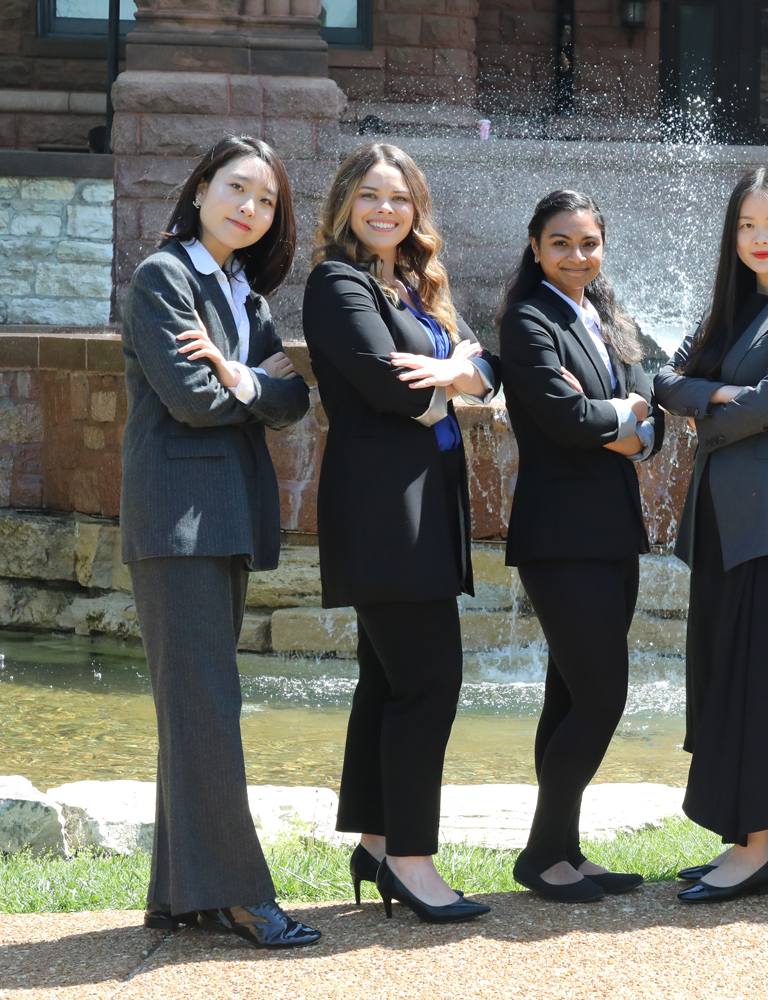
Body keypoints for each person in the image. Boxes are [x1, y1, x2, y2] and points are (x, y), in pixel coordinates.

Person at [119, 136, 316, 948]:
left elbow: (294, 397)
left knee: (196, 709)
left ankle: (180, 896)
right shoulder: (165, 277)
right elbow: (193, 400)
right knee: (207, 709)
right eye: (237, 188)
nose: (250, 208)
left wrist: (242, 378)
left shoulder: (243, 294)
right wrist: (249, 386)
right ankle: (239, 894)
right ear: (200, 188)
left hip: (221, 517)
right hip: (180, 519)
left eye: (266, 200)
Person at [304, 143, 495, 924]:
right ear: (345, 202)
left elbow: (491, 373)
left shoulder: (412, 287)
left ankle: (378, 842)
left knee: (387, 683)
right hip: (385, 514)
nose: (387, 210)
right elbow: (389, 388)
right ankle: (413, 862)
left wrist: (453, 375)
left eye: (402, 198)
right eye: (372, 196)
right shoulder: (335, 282)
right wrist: (456, 377)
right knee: (428, 682)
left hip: (423, 508)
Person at [654, 166, 768, 903]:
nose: (760, 238)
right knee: (724, 678)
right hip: (722, 523)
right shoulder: (729, 310)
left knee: (763, 684)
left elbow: (757, 411)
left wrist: (711, 400)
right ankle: (742, 839)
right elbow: (664, 382)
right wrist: (713, 395)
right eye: (746, 226)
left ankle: (757, 847)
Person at [496, 190, 664, 902]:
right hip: (559, 536)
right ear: (535, 248)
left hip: (611, 531)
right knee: (601, 695)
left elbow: (647, 401)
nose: (577, 256)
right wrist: (618, 417)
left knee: (568, 696)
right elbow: (564, 418)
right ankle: (540, 855)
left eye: (589, 242)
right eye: (561, 243)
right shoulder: (527, 319)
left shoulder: (605, 316)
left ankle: (565, 849)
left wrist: (627, 422)